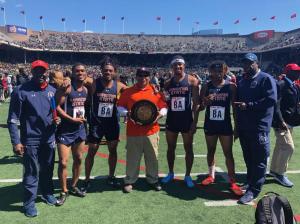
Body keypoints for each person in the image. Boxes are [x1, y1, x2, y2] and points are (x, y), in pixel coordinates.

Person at [7, 60, 61, 217]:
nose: (40, 73)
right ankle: (29, 203)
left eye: (43, 70)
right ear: (32, 72)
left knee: (48, 169)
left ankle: (47, 193)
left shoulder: (52, 90)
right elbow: (12, 119)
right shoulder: (20, 91)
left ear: (46, 72)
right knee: (31, 171)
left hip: (49, 138)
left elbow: (54, 113)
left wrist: (57, 120)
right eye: (37, 71)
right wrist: (16, 141)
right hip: (30, 139)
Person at [235, 53, 277, 204]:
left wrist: (249, 105)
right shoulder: (243, 80)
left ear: (257, 63)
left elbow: (271, 100)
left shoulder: (266, 78)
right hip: (245, 126)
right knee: (249, 157)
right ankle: (250, 181)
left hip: (259, 126)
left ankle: (254, 189)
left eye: (250, 63)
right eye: (245, 63)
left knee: (259, 159)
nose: (247, 66)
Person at [117, 67, 167, 193]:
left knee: (152, 157)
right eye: (140, 75)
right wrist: (127, 113)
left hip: (152, 130)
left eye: (145, 75)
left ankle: (153, 180)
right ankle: (129, 181)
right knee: (133, 158)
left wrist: (160, 115)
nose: (143, 78)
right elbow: (119, 107)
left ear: (149, 77)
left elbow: (164, 106)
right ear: (136, 76)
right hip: (133, 131)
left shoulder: (155, 91)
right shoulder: (128, 91)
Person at [82, 57, 127, 192]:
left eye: (110, 70)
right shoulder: (94, 83)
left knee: (112, 150)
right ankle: (87, 179)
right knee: (92, 151)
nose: (107, 72)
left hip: (112, 123)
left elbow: (134, 92)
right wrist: (67, 78)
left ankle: (111, 177)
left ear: (114, 72)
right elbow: (79, 78)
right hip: (97, 123)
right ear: (101, 70)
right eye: (105, 70)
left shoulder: (119, 86)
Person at [199, 61, 243, 196]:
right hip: (210, 124)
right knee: (210, 150)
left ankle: (232, 181)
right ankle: (211, 175)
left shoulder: (231, 87)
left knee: (228, 153)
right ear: (210, 72)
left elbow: (235, 108)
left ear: (225, 71)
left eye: (220, 71)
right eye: (214, 71)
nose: (217, 73)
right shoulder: (206, 86)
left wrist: (237, 126)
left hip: (225, 125)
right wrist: (206, 101)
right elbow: (200, 106)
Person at [161, 55, 200, 188]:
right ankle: (171, 173)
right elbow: (164, 100)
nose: (178, 67)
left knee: (188, 148)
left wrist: (194, 123)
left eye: (180, 65)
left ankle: (188, 175)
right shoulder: (167, 83)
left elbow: (196, 104)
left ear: (184, 66)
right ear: (172, 67)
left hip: (186, 120)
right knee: (170, 148)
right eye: (175, 65)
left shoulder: (192, 81)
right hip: (172, 119)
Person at [55, 63, 88, 206]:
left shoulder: (86, 90)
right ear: (73, 73)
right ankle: (63, 191)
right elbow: (56, 105)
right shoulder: (67, 87)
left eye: (82, 71)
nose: (80, 73)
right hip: (66, 129)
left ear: (85, 73)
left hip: (80, 129)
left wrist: (81, 119)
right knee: (63, 162)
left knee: (79, 159)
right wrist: (70, 119)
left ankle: (74, 186)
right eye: (77, 71)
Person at [269, 63, 300, 187]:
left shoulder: (294, 85)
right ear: (288, 72)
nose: (298, 73)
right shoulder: (281, 84)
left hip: (289, 121)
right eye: (296, 71)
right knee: (288, 147)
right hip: (281, 122)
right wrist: (280, 121)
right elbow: (275, 104)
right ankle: (280, 174)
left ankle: (274, 170)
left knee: (280, 146)